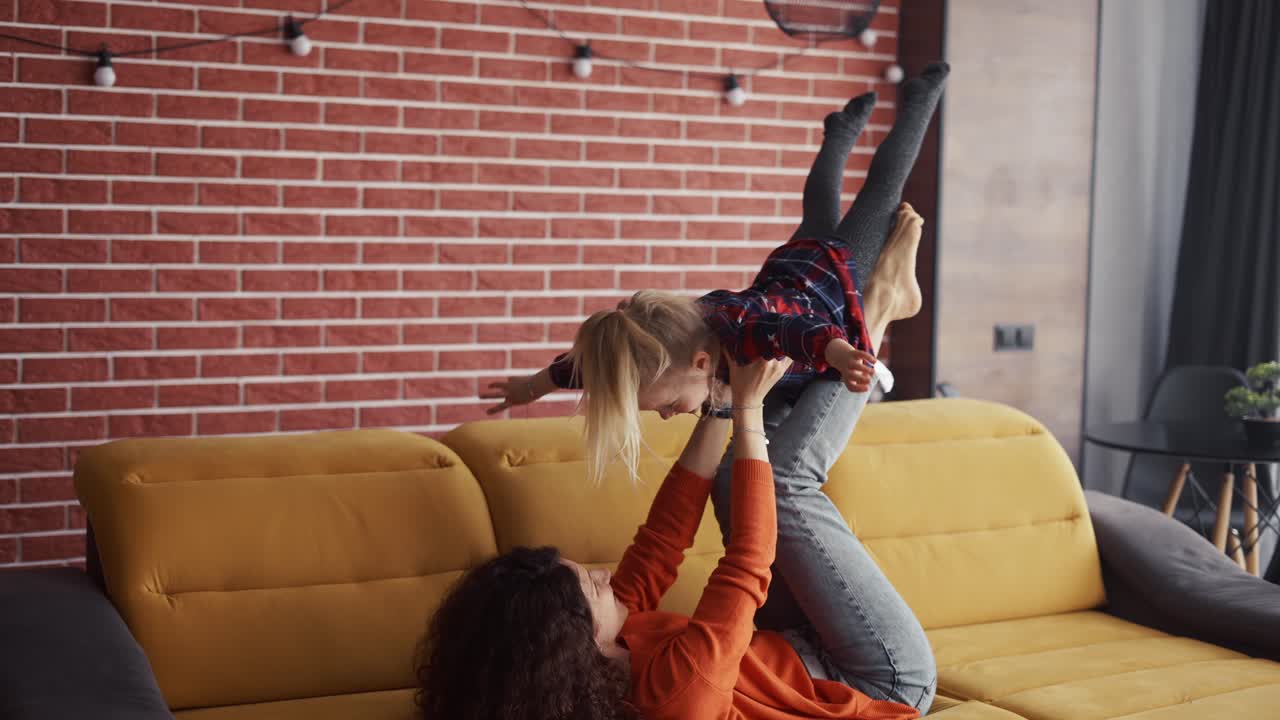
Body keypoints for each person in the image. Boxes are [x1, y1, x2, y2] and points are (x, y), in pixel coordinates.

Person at [482, 64, 950, 490]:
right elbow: (589, 366)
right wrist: (531, 387)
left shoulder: (744, 333)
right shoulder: (662, 344)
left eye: (665, 405)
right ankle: (840, 132)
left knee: (881, 191)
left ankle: (919, 99)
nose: (666, 416)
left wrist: (841, 352)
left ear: (703, 364)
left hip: (831, 276)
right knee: (820, 208)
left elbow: (795, 330)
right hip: (790, 269)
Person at [417, 353, 931, 719]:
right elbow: (749, 561)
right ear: (576, 643)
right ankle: (872, 321)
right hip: (875, 680)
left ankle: (845, 321)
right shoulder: (677, 696)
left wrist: (722, 404)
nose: (605, 574)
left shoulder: (606, 650)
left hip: (790, 654)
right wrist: (749, 409)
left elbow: (661, 542)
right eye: (593, 586)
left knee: (734, 479)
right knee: (783, 483)